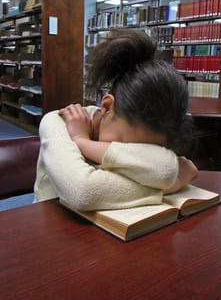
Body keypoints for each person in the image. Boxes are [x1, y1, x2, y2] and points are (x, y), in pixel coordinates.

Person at [34, 28, 197, 210]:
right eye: (125, 146)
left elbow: (164, 168)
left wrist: (83, 142)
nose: (132, 155)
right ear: (106, 107)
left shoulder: (149, 129)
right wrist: (171, 184)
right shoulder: (57, 122)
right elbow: (84, 192)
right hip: (51, 225)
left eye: (145, 151)